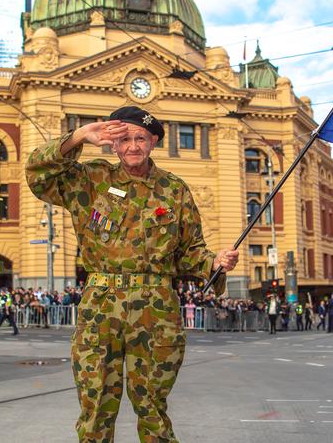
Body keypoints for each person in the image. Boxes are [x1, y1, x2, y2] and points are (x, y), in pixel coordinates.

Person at [26, 106, 239, 442]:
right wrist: (80, 136)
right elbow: (38, 174)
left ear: (153, 141)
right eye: (124, 139)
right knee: (95, 404)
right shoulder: (91, 179)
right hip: (101, 304)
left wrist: (214, 263)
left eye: (140, 138)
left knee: (153, 404)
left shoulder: (174, 190)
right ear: (113, 144)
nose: (132, 146)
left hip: (157, 308)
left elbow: (190, 250)